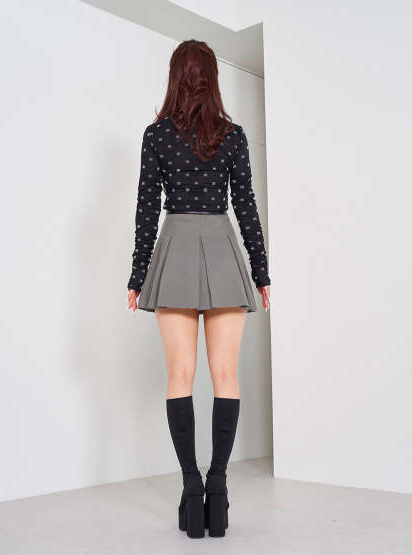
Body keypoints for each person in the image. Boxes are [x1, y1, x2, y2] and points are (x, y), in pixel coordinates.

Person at [126, 39, 271, 538]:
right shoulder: (232, 135)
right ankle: (218, 489)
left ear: (175, 78)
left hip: (175, 250)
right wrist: (261, 273)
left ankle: (192, 489)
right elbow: (245, 204)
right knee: (226, 375)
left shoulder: (155, 135)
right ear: (212, 78)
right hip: (222, 247)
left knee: (179, 376)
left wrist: (138, 275)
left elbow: (147, 207)